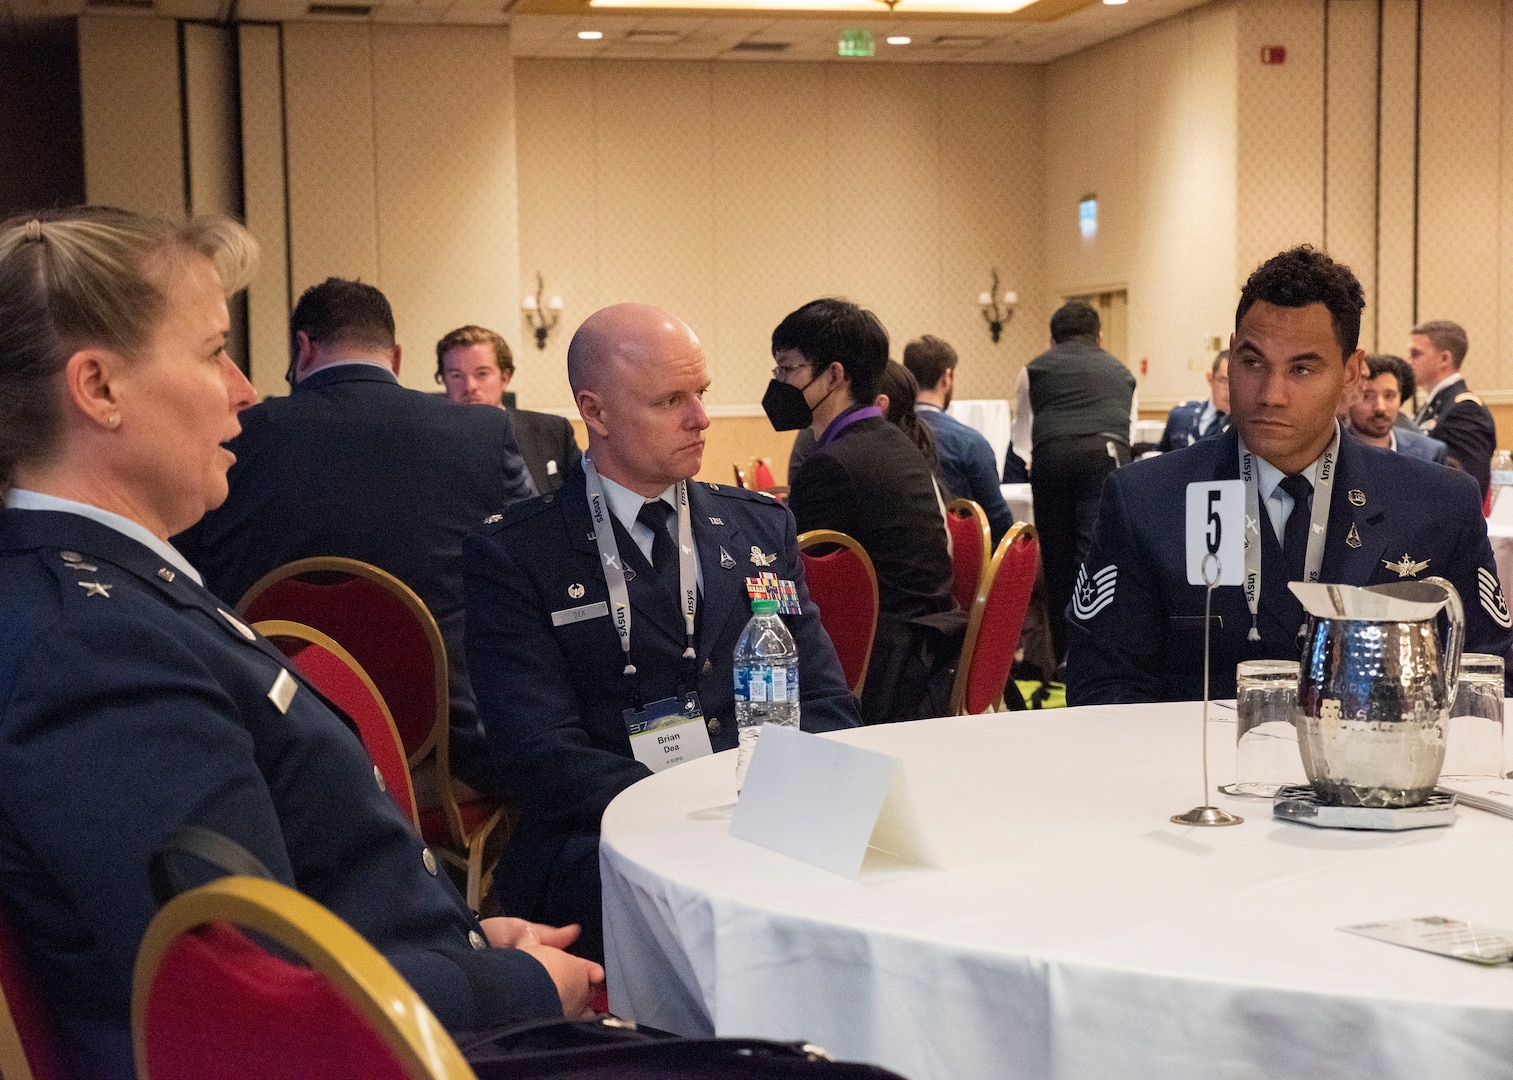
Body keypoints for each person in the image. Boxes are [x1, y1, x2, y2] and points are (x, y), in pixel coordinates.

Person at [0, 208, 599, 1079]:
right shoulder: (91, 647)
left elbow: (317, 879)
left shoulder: (112, 595)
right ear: (97, 388)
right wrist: (515, 987)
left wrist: (471, 938)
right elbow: (252, 1003)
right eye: (213, 353)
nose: (245, 388)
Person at [464, 303, 859, 963]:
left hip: (769, 815)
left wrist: (778, 806)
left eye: (700, 393)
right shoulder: (518, 553)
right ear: (595, 413)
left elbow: (822, 702)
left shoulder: (759, 528)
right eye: (671, 400)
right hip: (605, 837)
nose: (701, 418)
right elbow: (540, 756)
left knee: (900, 858)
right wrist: (698, 812)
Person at [1066, 245, 1513, 704]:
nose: (1270, 394)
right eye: (1253, 362)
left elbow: (1490, 681)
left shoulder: (1435, 505)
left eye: (1302, 368)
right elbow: (1102, 685)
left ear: (1351, 374)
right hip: (1193, 770)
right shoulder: (1149, 501)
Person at [175, 280, 535, 798]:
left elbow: (192, 588)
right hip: (447, 759)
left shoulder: (237, 438)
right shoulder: (481, 434)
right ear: (396, 356)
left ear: (303, 348)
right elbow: (527, 575)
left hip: (272, 750)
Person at [765, 298, 965, 725]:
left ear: (834, 375)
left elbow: (799, 586)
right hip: (925, 659)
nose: (779, 382)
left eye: (788, 369)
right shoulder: (894, 442)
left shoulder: (834, 465)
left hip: (879, 673)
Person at [1011, 300, 1138, 667]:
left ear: (1051, 339)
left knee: (1056, 560)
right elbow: (1125, 430)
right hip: (1105, 454)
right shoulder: (1122, 372)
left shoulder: (1033, 370)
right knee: (1096, 555)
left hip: (1051, 456)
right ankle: (1095, 657)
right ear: (1099, 337)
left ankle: (1062, 656)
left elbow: (1022, 442)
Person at [437, 324, 581, 495]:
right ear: (444, 380)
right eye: (456, 376)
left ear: (505, 378)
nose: (470, 386)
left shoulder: (553, 430)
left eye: (482, 373)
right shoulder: (432, 444)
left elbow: (582, 497)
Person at [902, 334, 1014, 544]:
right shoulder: (969, 442)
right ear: (946, 378)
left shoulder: (889, 436)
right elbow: (998, 520)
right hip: (961, 560)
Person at [1409, 319, 1497, 496]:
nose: (1407, 361)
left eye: (1416, 354)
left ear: (1444, 359)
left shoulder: (1465, 410)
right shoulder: (1433, 405)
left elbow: (1467, 484)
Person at [1346, 354, 1448, 464]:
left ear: (1400, 398)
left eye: (1389, 396)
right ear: (1350, 398)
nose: (1380, 407)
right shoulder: (1333, 449)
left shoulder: (1429, 453)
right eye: (1368, 396)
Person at [1158, 350, 1230, 451]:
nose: (1231, 389)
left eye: (1238, 383)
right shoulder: (1181, 416)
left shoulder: (1245, 428)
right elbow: (1160, 456)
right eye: (1224, 381)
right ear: (1210, 379)